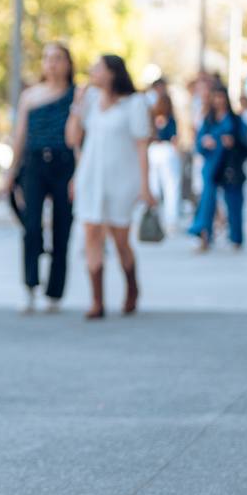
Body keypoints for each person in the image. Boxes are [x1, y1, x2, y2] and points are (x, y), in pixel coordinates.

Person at [67, 55, 154, 318]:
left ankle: (131, 286)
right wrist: (76, 106)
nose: (92, 72)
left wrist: (145, 185)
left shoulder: (135, 103)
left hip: (121, 179)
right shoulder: (90, 101)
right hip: (91, 177)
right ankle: (97, 300)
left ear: (112, 73)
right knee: (91, 232)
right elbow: (73, 139)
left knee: (119, 238)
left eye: (97, 68)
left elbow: (142, 146)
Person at [0, 42, 76, 313]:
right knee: (31, 226)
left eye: (57, 58)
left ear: (68, 63)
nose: (51, 63)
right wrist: (10, 172)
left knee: (62, 228)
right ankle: (29, 285)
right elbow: (19, 135)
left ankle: (54, 292)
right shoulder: (31, 96)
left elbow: (80, 138)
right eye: (47, 58)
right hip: (33, 163)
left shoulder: (77, 95)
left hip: (65, 164)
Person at [188, 84, 247, 251]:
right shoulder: (208, 121)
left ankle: (236, 237)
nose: (218, 101)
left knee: (234, 202)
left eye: (221, 97)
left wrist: (233, 143)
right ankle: (204, 235)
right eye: (216, 97)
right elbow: (198, 144)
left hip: (231, 166)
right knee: (207, 202)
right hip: (212, 166)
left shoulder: (236, 121)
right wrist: (205, 143)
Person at [146, 77, 183, 230]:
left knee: (155, 185)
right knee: (170, 186)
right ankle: (170, 220)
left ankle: (154, 215)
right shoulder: (169, 119)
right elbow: (174, 138)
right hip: (166, 150)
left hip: (154, 150)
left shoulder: (153, 117)